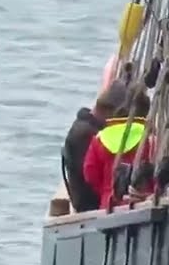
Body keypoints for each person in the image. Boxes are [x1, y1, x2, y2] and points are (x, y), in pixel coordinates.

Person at [82, 86, 156, 209]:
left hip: (109, 204)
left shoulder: (100, 138)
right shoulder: (149, 139)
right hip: (142, 204)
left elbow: (90, 174)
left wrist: (105, 190)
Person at [61, 84, 123, 212]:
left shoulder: (85, 127)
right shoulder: (86, 134)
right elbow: (91, 176)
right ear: (109, 111)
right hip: (89, 207)